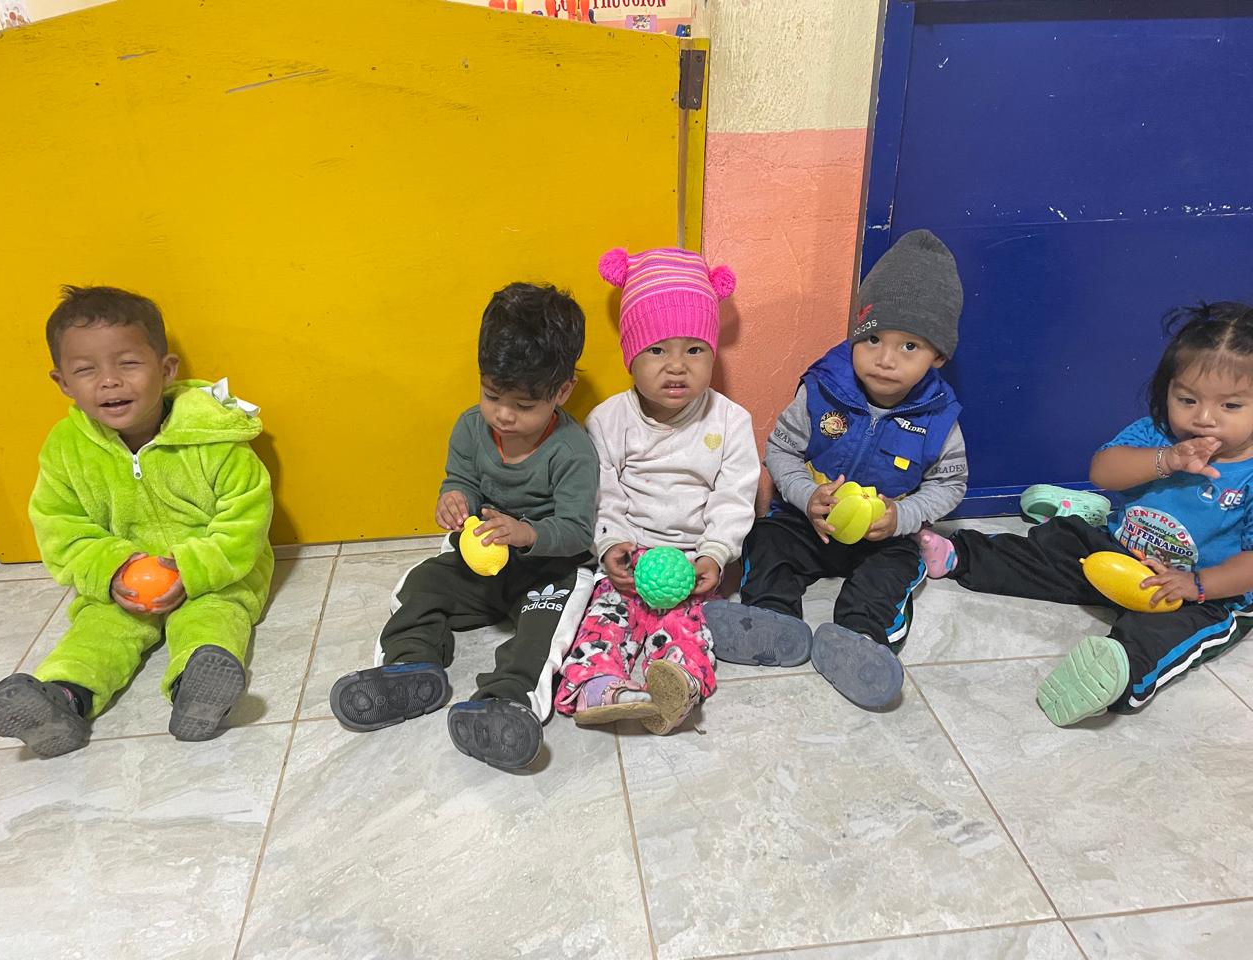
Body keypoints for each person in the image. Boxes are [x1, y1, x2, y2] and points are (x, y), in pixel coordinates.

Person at [916, 301, 1253, 725]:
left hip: (1201, 591)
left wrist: (1197, 584)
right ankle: (960, 554)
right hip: (1120, 550)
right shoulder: (1158, 435)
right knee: (1062, 542)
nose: (1203, 418)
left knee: (1167, 635)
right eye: (1187, 399)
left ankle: (1117, 673)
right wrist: (1166, 460)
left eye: (1230, 406)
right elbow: (1104, 472)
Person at [0, 286, 273, 756]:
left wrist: (194, 569)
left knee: (215, 618)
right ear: (62, 383)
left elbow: (246, 517)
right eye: (86, 370)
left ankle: (196, 690)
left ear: (166, 369)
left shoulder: (213, 439)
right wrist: (111, 569)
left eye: (128, 364)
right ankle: (64, 698)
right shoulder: (66, 449)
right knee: (98, 630)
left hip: (211, 574)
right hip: (123, 582)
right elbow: (61, 526)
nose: (110, 382)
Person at [329, 282, 598, 770]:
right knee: (419, 584)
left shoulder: (572, 450)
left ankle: (509, 701)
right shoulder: (472, 427)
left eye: (523, 405)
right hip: (481, 564)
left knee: (544, 628)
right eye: (492, 395)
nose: (503, 415)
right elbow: (461, 480)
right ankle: (409, 664)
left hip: (547, 568)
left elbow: (578, 531)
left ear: (562, 392)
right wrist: (454, 499)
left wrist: (527, 533)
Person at [705, 230, 967, 709]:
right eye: (873, 339)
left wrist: (901, 517)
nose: (885, 359)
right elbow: (780, 451)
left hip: (881, 537)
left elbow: (950, 484)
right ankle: (770, 618)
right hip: (807, 523)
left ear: (939, 356)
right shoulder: (823, 389)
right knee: (766, 539)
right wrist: (807, 496)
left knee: (896, 566)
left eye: (909, 346)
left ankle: (859, 637)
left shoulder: (939, 418)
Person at [553, 247, 758, 734]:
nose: (676, 367)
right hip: (628, 557)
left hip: (692, 560)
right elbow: (602, 494)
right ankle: (600, 685)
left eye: (694, 350)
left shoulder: (730, 421)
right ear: (631, 355)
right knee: (604, 617)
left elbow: (734, 496)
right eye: (657, 350)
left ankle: (675, 688)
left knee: (687, 627)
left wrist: (714, 554)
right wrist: (611, 545)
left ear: (712, 353)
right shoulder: (609, 420)